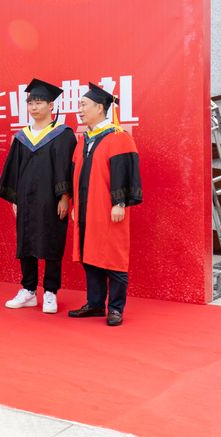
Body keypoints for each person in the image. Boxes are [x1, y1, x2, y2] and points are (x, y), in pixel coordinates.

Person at [0, 79, 76, 314]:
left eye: (39, 102)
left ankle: (50, 291)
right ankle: (28, 290)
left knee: (52, 241)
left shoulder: (63, 135)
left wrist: (65, 197)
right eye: (31, 103)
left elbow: (67, 168)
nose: (34, 107)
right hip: (26, 198)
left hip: (52, 199)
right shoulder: (23, 137)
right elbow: (14, 169)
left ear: (51, 106)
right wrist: (15, 199)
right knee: (26, 241)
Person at [68, 83, 142, 326]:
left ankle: (116, 308)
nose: (80, 110)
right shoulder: (84, 139)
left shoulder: (118, 137)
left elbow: (124, 172)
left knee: (114, 256)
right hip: (86, 208)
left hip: (108, 209)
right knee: (90, 255)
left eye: (84, 105)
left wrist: (119, 202)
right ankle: (95, 303)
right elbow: (76, 173)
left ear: (99, 107)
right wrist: (74, 205)